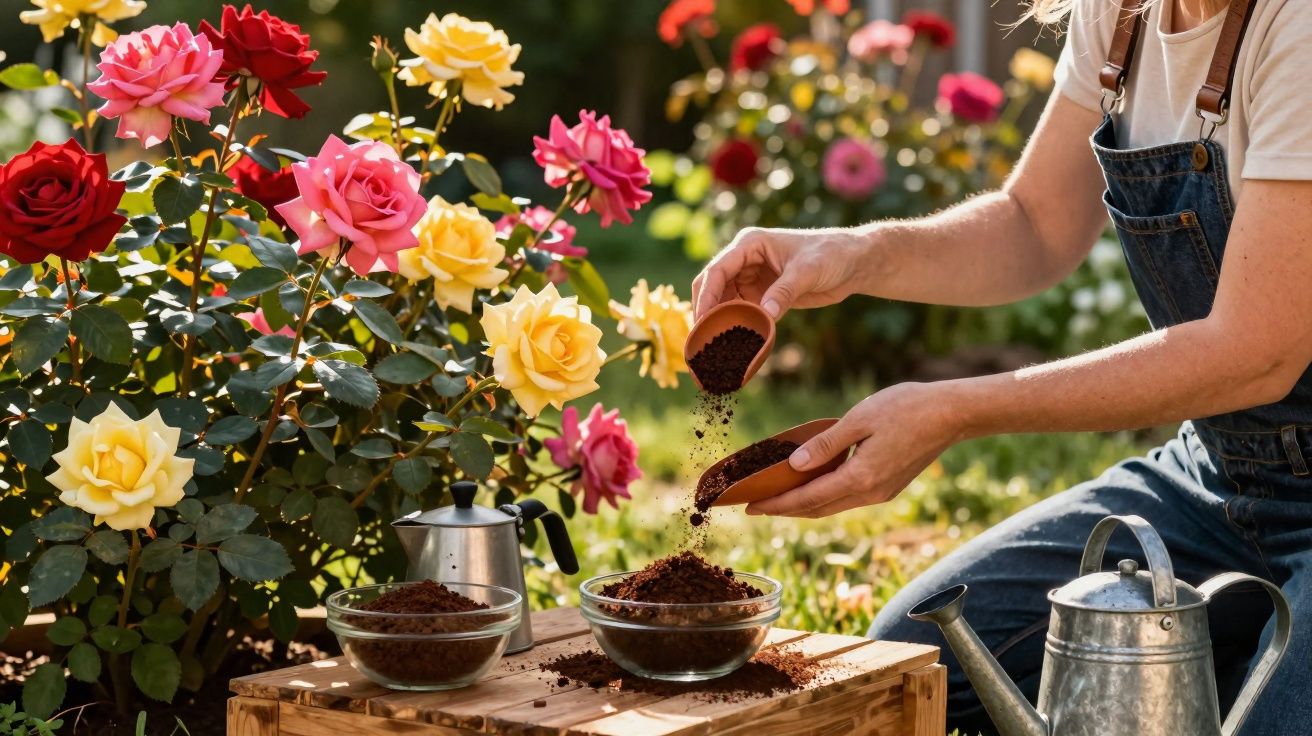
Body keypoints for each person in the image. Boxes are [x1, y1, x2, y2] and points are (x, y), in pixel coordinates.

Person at [691, 0, 1312, 732]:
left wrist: (957, 409)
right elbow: (1035, 222)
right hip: (1216, 479)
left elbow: (1256, 352)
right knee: (911, 658)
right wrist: (855, 255)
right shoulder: (1122, 16)